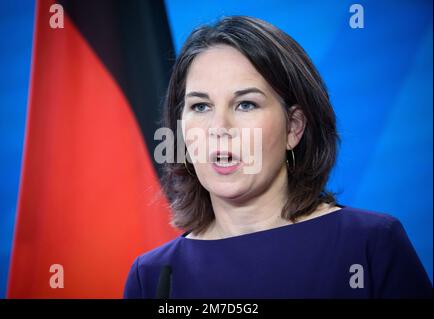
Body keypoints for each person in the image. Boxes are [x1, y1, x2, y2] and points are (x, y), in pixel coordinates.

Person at [124, 16, 432, 298]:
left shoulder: (371, 245)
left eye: (245, 104)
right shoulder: (152, 278)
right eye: (200, 107)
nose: (219, 128)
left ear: (293, 128)